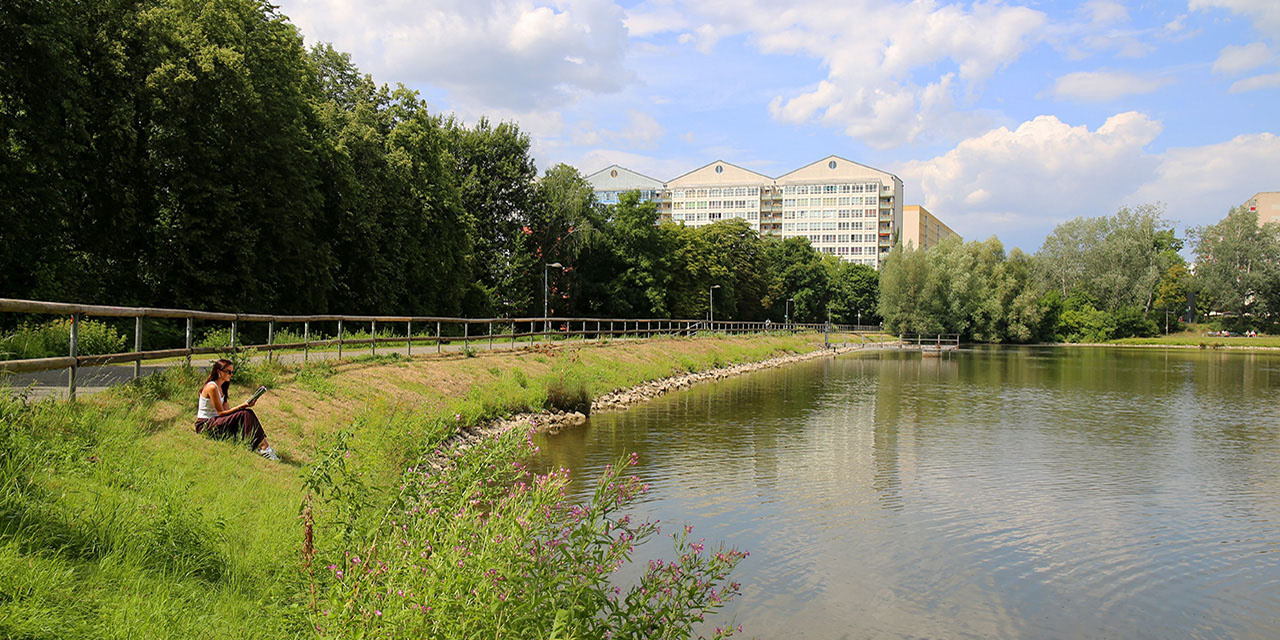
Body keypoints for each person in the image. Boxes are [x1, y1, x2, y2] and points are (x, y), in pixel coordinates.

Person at [195, 359, 279, 461]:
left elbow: (227, 412)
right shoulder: (212, 387)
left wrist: (246, 406)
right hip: (206, 424)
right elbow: (221, 413)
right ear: (219, 372)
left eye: (232, 372)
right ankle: (263, 447)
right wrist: (242, 406)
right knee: (245, 413)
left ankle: (263, 445)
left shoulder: (223, 387)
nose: (231, 375)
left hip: (216, 421)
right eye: (228, 372)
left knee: (246, 413)